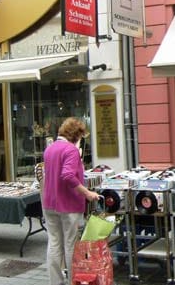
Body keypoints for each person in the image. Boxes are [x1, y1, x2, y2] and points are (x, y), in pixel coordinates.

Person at [42, 117, 100, 285]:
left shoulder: (50, 149)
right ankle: (74, 280)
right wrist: (87, 193)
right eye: (81, 136)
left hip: (49, 202)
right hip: (67, 204)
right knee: (70, 244)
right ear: (76, 135)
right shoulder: (71, 150)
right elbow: (67, 176)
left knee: (54, 242)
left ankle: (56, 281)